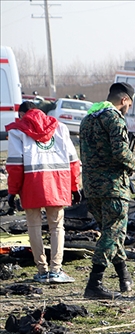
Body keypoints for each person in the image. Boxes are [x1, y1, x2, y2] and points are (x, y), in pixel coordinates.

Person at [5, 101, 81, 284]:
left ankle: (42, 270)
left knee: (33, 226)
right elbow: (73, 160)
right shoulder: (60, 128)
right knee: (57, 227)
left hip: (31, 184)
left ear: (23, 114)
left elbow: (15, 166)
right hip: (58, 182)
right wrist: (75, 186)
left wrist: (12, 191)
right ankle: (56, 270)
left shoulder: (17, 131)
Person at [79, 82, 135, 299]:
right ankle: (94, 284)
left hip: (91, 187)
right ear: (123, 100)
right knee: (113, 233)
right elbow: (121, 152)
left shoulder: (88, 119)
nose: (128, 108)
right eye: (129, 104)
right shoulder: (114, 118)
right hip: (113, 186)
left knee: (111, 232)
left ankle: (124, 277)